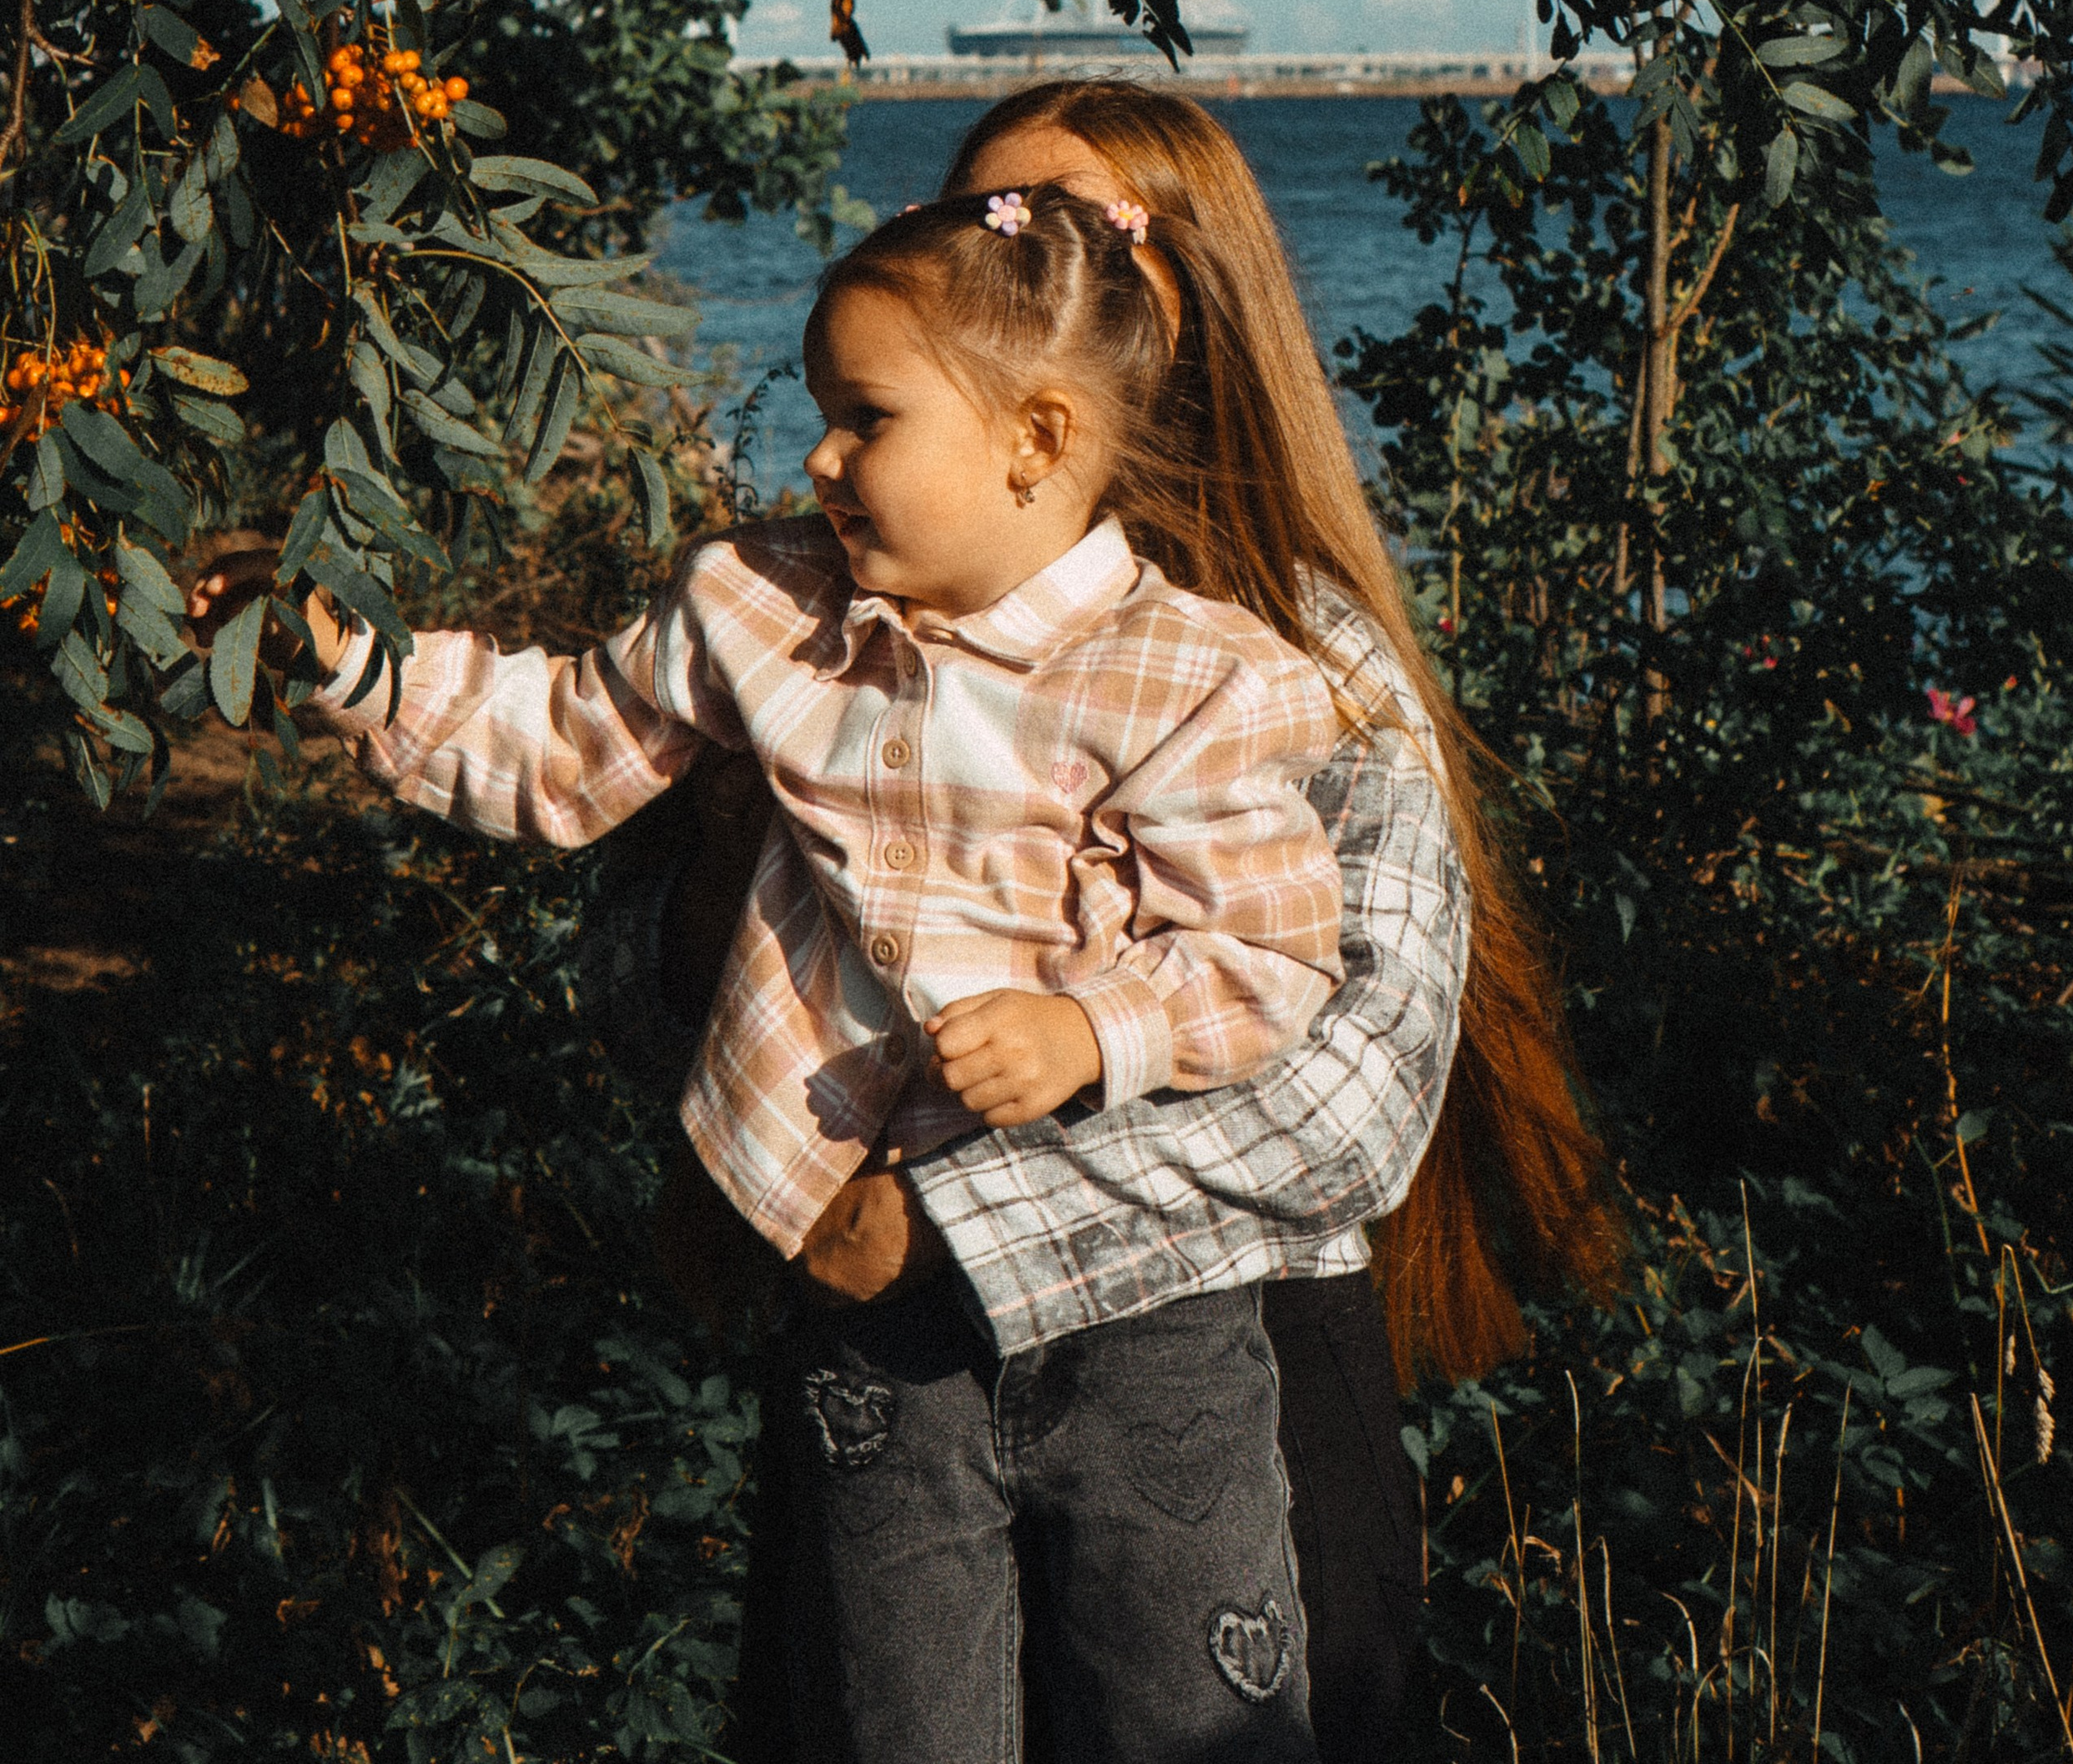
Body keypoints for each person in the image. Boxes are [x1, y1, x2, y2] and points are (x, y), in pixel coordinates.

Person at [192, 181, 1368, 1763]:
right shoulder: (763, 608)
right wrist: (351, 662)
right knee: (901, 1722)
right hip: (865, 1308)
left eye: (864, 418)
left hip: (1141, 1320)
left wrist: (1100, 1027)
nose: (817, 458)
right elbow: (555, 745)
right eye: (821, 413)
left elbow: (1274, 952)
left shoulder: (1191, 679)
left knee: (1192, 1722)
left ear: (1036, 439)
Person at [625, 81, 1624, 1764]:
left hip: (1226, 1399)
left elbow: (1353, 1102)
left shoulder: (1300, 661)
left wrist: (940, 1216)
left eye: (1088, 242)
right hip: (888, 1393)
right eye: (983, 245)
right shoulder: (838, 633)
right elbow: (653, 962)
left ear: (1188, 307)